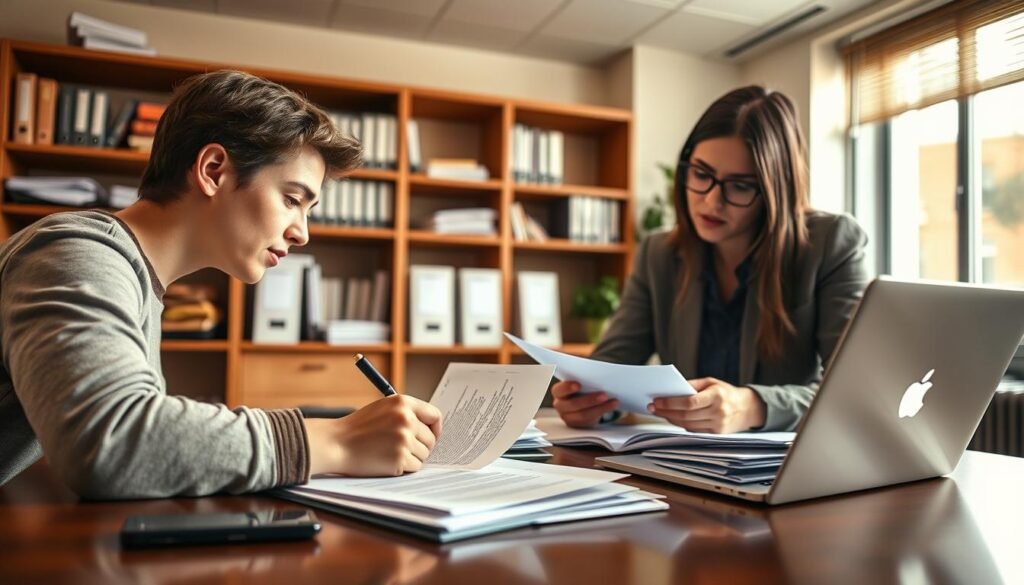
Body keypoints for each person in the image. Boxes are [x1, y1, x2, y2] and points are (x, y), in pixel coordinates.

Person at [0, 70, 442, 498]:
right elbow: (109, 441)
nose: (302, 232)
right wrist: (339, 441)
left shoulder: (135, 278)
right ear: (212, 170)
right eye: (291, 199)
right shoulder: (76, 253)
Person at [552, 86, 869, 433]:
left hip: (787, 471)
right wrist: (589, 404)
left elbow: (859, 393)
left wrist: (754, 406)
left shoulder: (830, 244)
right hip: (689, 463)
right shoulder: (659, 254)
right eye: (701, 175)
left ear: (774, 191)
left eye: (740, 186)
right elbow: (611, 368)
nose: (711, 202)